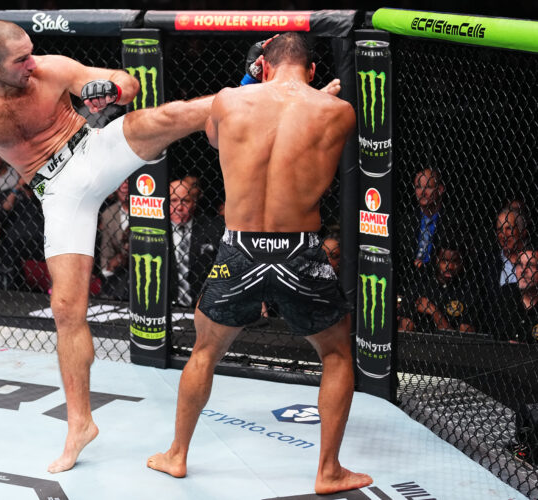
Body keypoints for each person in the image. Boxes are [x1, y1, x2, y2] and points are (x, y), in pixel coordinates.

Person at [0, 20, 214, 473]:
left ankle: (250, 97)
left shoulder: (51, 69)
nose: (32, 62)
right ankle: (80, 424)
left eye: (31, 52)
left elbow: (129, 84)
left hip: (92, 150)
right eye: (20, 59)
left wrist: (110, 88)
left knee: (165, 117)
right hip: (58, 191)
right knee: (67, 308)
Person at [147, 33, 372, 495]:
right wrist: (320, 93)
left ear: (263, 66)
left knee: (205, 351)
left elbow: (214, 136)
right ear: (312, 71)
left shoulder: (230, 101)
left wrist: (250, 80)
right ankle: (328, 471)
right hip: (300, 252)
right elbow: (302, 122)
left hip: (240, 250)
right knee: (335, 354)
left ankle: (176, 455)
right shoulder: (339, 111)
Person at [398, 242, 483, 334]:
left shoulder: (469, 292)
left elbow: (463, 341)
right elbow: (404, 332)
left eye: (455, 262)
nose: (449, 267)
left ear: (462, 263)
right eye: (444, 261)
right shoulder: (419, 288)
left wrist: (434, 312)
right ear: (436, 260)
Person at [169, 177, 223, 307]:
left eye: (185, 201)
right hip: (165, 305)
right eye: (173, 200)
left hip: (206, 304)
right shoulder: (155, 229)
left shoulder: (214, 227)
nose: (179, 207)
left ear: (194, 202)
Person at [412, 168, 446, 268]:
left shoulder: (451, 222)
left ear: (440, 189)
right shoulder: (406, 222)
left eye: (428, 187)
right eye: (418, 187)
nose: (422, 192)